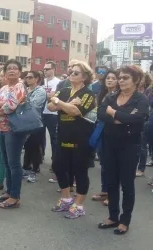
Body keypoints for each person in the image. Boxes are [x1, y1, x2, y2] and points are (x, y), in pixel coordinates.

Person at [97, 65, 149, 235]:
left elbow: (137, 119)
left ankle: (124, 220)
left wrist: (114, 113)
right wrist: (119, 118)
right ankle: (113, 217)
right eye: (120, 77)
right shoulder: (112, 96)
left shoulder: (140, 99)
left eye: (125, 77)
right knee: (111, 182)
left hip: (129, 146)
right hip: (109, 143)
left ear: (135, 80)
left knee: (127, 184)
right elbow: (101, 113)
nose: (121, 80)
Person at [47, 61, 96, 219]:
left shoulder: (88, 94)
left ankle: (79, 204)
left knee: (79, 171)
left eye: (76, 73)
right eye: (70, 72)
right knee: (58, 166)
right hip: (63, 135)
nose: (71, 74)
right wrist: (63, 103)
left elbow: (76, 111)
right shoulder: (65, 90)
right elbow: (49, 106)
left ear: (85, 77)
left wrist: (59, 103)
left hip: (80, 138)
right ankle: (66, 198)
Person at [0, 59, 27, 209]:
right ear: (5, 72)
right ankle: (9, 191)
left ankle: (15, 197)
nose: (12, 70)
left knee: (14, 163)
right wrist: (1, 106)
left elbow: (11, 106)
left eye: (15, 68)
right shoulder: (3, 89)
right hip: (1, 128)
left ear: (19, 72)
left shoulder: (20, 86)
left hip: (14, 129)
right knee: (6, 162)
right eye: (9, 68)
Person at [91, 69, 119, 206]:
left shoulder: (120, 95)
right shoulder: (102, 94)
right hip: (101, 128)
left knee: (112, 164)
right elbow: (99, 112)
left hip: (114, 131)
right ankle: (105, 190)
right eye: (108, 78)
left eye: (113, 78)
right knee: (103, 162)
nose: (110, 80)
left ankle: (112, 194)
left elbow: (117, 115)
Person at [23, 71, 47, 183]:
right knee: (27, 146)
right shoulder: (25, 90)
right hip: (24, 122)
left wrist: (21, 101)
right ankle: (26, 168)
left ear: (37, 79)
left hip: (36, 122)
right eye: (26, 77)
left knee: (35, 147)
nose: (27, 79)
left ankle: (35, 170)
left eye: (30, 77)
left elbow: (34, 105)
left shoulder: (40, 91)